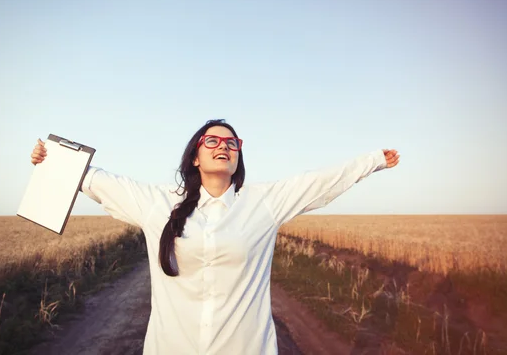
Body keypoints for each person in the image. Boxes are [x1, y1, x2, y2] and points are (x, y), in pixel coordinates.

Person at [30, 119, 400, 355]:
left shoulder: (263, 204)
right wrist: (51, 159)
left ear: (238, 157)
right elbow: (98, 179)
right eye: (212, 141)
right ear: (194, 157)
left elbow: (320, 182)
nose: (223, 146)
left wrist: (373, 161)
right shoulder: (158, 203)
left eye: (232, 143)